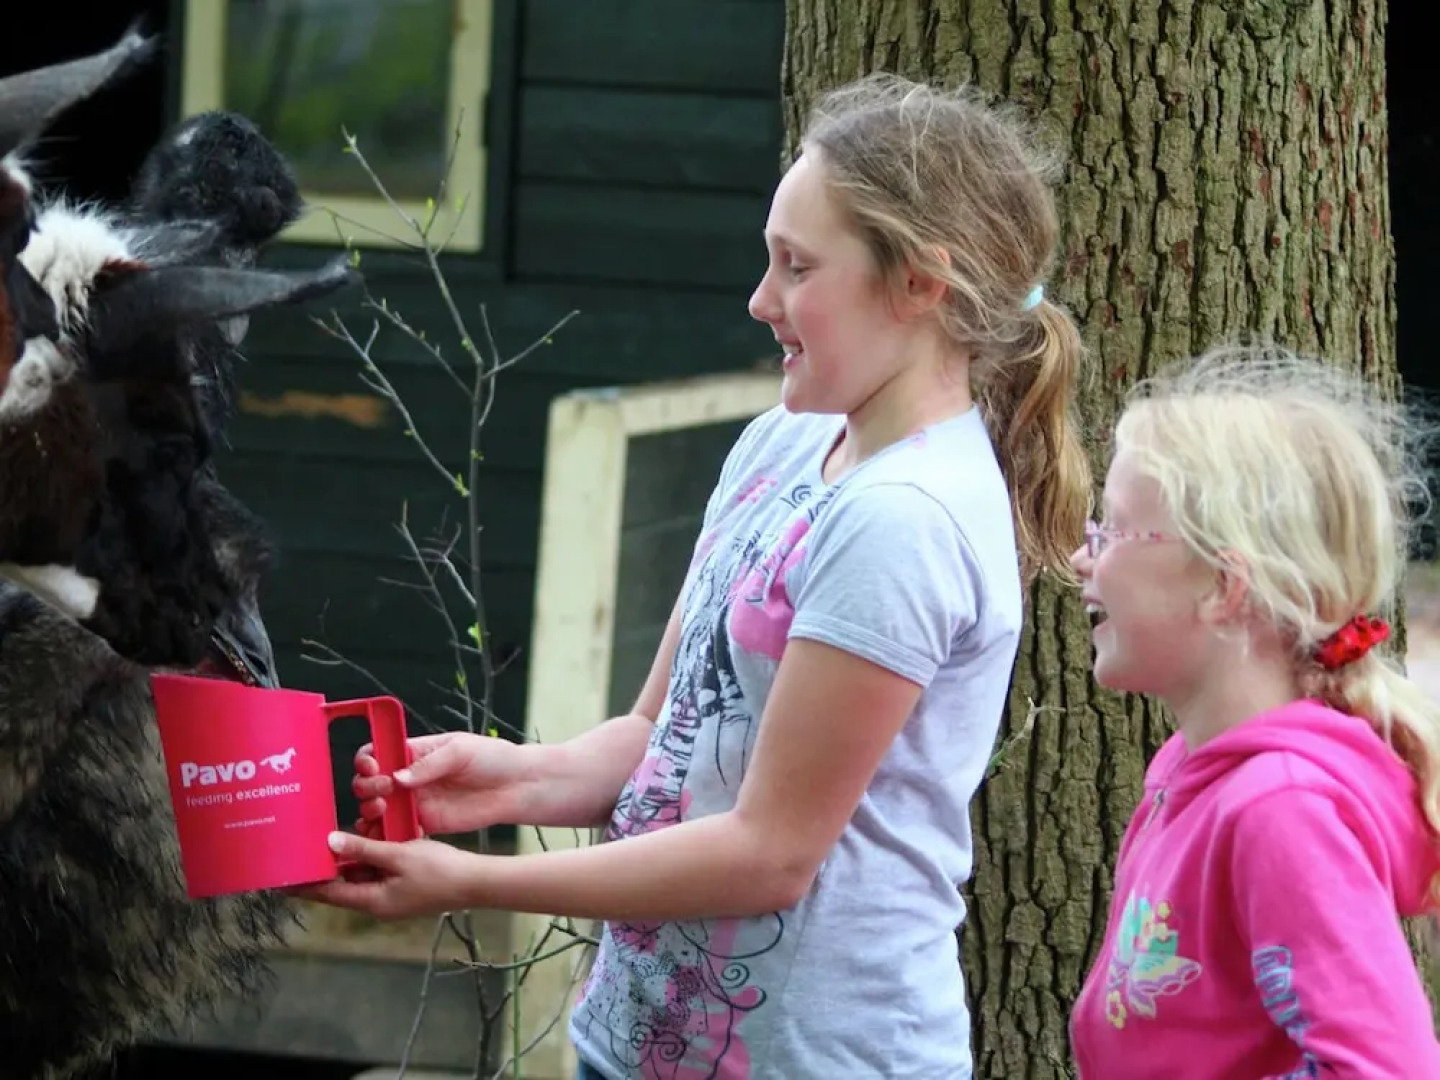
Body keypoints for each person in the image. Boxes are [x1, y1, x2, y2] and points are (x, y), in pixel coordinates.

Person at [299, 73, 1091, 1079]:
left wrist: (466, 883)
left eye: (797, 268)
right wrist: (510, 781)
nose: (761, 301)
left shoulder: (907, 523)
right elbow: (662, 740)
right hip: (632, 1045)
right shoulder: (783, 445)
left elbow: (769, 854)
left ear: (922, 283)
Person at [1067, 345, 1440, 1077]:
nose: (1084, 558)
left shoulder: (1281, 809)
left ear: (1224, 588)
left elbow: (1384, 1066)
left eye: (1112, 530)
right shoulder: (1192, 767)